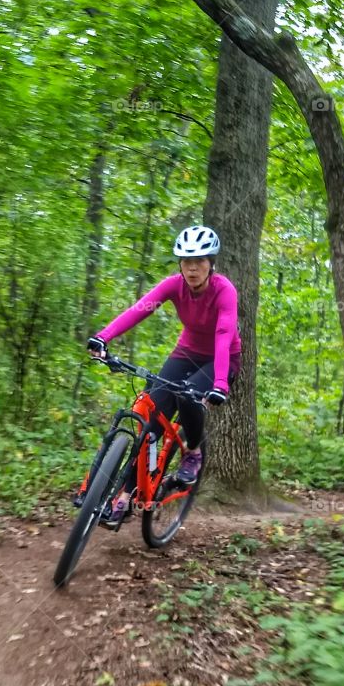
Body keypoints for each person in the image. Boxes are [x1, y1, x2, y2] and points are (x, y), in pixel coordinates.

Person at [85, 224, 241, 526]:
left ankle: (193, 451)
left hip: (222, 359)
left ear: (211, 264)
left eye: (199, 262)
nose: (192, 268)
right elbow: (139, 309)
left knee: (187, 396)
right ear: (180, 265)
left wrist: (220, 383)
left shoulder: (224, 291)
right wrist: (103, 337)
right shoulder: (174, 286)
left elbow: (223, 334)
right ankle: (124, 496)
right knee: (151, 420)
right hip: (186, 353)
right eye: (186, 262)